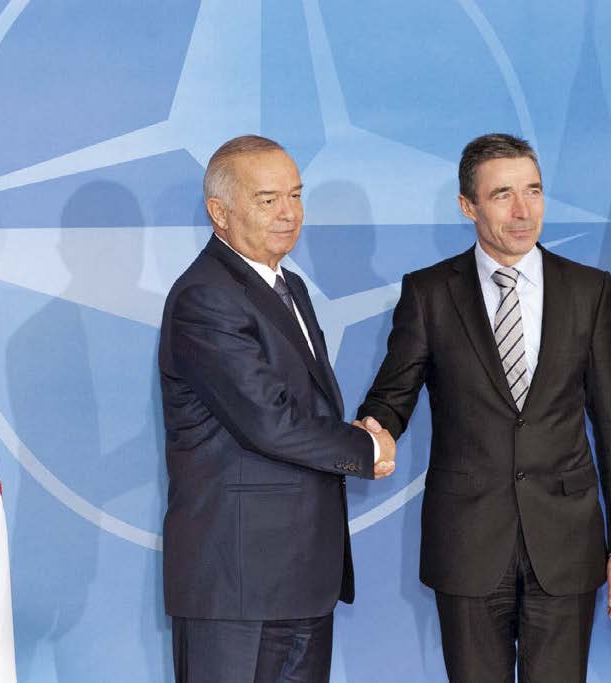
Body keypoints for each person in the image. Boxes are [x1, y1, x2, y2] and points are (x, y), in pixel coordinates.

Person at [357, 133, 611, 682]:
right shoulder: (429, 293)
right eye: (502, 195)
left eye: (533, 191)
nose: (523, 211)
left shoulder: (588, 290)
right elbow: (392, 397)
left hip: (566, 543)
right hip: (467, 543)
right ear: (467, 206)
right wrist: (373, 432)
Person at [158, 134, 396, 683]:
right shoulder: (206, 296)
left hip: (300, 578)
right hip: (238, 583)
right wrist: (365, 447)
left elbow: (296, 406)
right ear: (220, 213)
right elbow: (269, 422)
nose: (289, 213)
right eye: (268, 200)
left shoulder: (288, 287)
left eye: (295, 195)